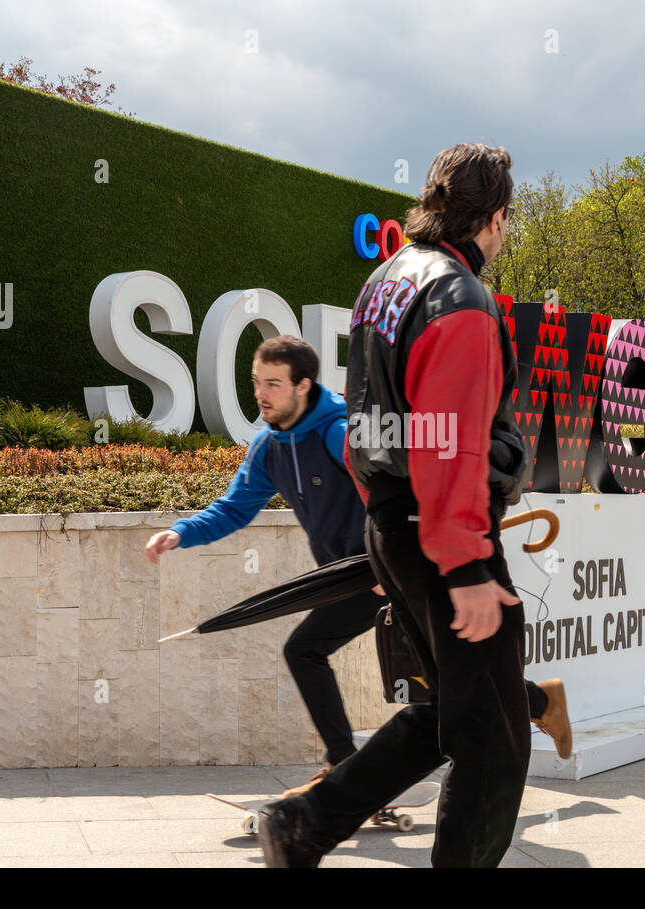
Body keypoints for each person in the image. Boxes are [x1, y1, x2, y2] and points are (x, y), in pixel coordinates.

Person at [259, 143, 543, 867]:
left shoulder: (383, 282)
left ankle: (306, 824)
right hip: (442, 531)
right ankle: (309, 824)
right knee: (497, 738)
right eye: (507, 222)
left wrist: (387, 540)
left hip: (393, 522)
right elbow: (450, 446)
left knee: (450, 713)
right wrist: (466, 565)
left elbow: (363, 427)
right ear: (497, 217)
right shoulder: (461, 300)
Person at [146, 335, 571, 796]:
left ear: (303, 385)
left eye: (273, 383)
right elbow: (234, 508)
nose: (261, 393)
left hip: (390, 564)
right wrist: (181, 533)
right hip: (352, 575)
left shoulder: (339, 432)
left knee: (417, 665)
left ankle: (350, 769)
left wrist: (391, 561)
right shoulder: (269, 446)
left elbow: (392, 494)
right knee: (417, 665)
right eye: (256, 382)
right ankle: (536, 700)